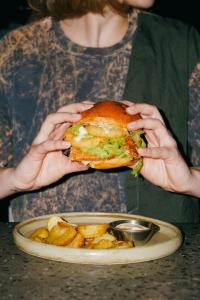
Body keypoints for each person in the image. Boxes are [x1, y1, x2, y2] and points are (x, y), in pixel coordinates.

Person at [0, 0, 199, 222]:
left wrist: (190, 181)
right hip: (37, 249)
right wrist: (15, 179)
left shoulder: (183, 46)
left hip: (159, 251)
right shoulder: (15, 51)